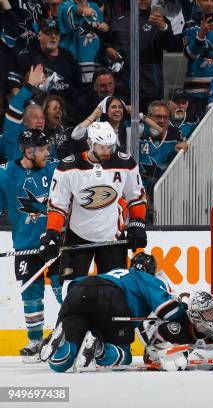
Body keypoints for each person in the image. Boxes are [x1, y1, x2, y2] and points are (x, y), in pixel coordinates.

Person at [39, 252, 186, 372]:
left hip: (78, 291)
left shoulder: (113, 273)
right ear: (151, 270)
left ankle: (62, 343)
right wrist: (184, 309)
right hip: (110, 296)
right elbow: (168, 310)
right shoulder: (146, 277)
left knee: (61, 364)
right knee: (125, 355)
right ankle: (100, 349)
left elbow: (70, 288)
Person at [39, 121, 147, 281]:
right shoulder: (67, 167)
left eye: (110, 146)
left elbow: (136, 197)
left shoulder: (125, 163)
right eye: (102, 147)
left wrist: (137, 224)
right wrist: (52, 233)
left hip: (112, 237)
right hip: (77, 236)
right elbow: (58, 206)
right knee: (71, 290)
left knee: (114, 292)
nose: (107, 152)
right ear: (90, 142)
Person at [0, 129, 62, 363]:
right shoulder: (5, 174)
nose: (48, 152)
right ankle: (35, 341)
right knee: (32, 295)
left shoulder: (55, 168)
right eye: (43, 149)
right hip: (26, 245)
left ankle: (72, 333)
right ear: (28, 151)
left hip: (56, 242)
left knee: (62, 289)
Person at [140, 291, 213, 371]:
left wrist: (212, 357)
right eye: (209, 312)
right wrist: (165, 357)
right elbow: (148, 357)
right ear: (195, 316)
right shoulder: (172, 330)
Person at [104, 0, 182, 112]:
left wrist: (164, 28)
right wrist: (108, 49)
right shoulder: (118, 20)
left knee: (151, 125)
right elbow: (107, 43)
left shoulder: (160, 19)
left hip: (151, 86)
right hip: (124, 86)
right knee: (126, 125)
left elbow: (173, 47)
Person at [7, 17, 81, 110]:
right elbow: (13, 80)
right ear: (39, 35)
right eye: (49, 33)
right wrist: (24, 103)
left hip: (66, 109)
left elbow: (78, 86)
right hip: (39, 109)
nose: (53, 36)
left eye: (56, 33)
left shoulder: (69, 57)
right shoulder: (28, 54)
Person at [183, 0, 213, 118]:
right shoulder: (191, 25)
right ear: (197, 2)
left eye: (212, 0)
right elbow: (189, 53)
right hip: (194, 94)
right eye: (204, 0)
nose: (209, 4)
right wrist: (202, 33)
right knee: (195, 132)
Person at [139, 100, 188, 198]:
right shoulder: (139, 132)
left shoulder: (175, 135)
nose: (161, 121)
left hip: (167, 189)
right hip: (141, 188)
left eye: (165, 117)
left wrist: (182, 149)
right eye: (158, 117)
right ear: (148, 117)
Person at [2, 65, 46, 161]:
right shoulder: (14, 138)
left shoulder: (46, 143)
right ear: (24, 121)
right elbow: (15, 106)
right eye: (35, 117)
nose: (40, 121)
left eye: (42, 117)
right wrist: (29, 86)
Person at [57, 0, 107, 84]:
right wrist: (83, 11)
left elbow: (101, 27)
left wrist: (104, 27)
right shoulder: (64, 5)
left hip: (94, 59)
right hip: (74, 60)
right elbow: (73, 10)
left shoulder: (94, 6)